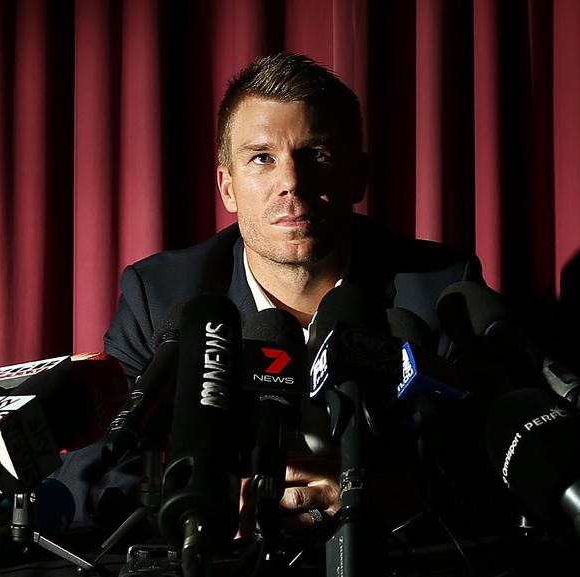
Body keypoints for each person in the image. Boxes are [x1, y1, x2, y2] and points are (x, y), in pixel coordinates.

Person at [59, 52, 482, 534]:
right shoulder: (161, 298)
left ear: (358, 176)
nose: (291, 184)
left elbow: (494, 460)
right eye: (262, 158)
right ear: (227, 187)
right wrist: (206, 502)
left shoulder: (440, 290)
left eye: (316, 154)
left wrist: (387, 496)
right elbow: (91, 471)